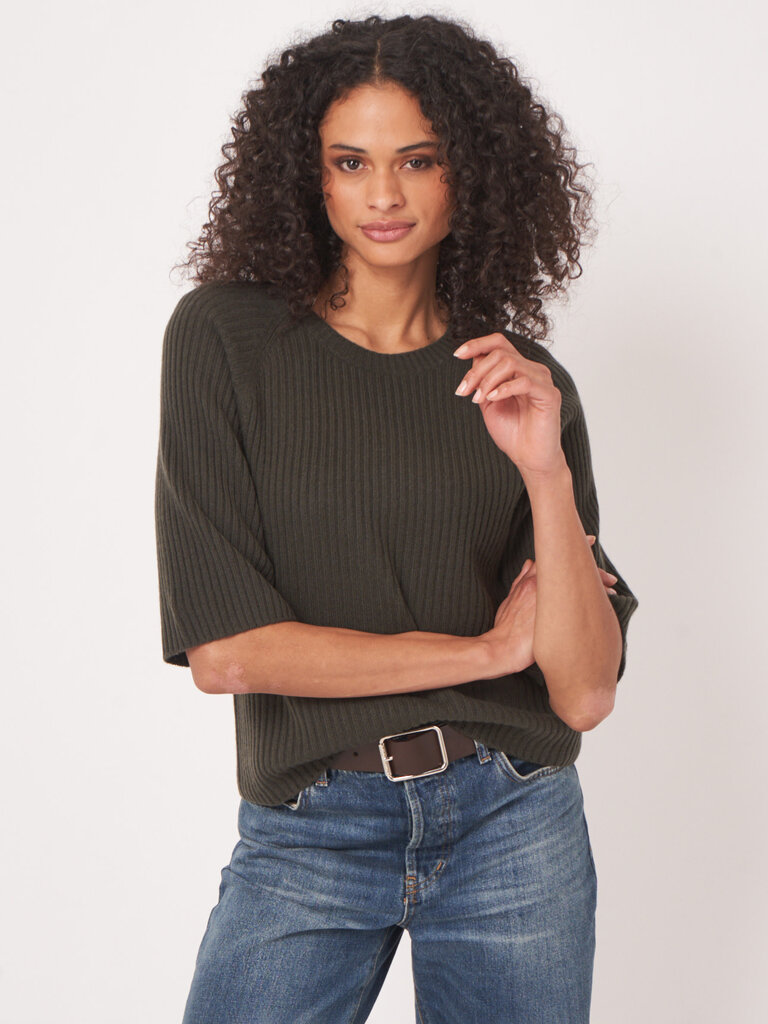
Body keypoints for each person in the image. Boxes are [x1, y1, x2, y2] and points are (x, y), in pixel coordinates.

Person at [154, 13, 639, 1024]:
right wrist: (483, 653)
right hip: (313, 825)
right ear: (311, 176)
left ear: (472, 174)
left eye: (419, 160)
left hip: (514, 817)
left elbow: (584, 690)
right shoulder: (224, 340)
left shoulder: (521, 383)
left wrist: (545, 471)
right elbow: (230, 654)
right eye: (352, 162)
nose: (383, 196)